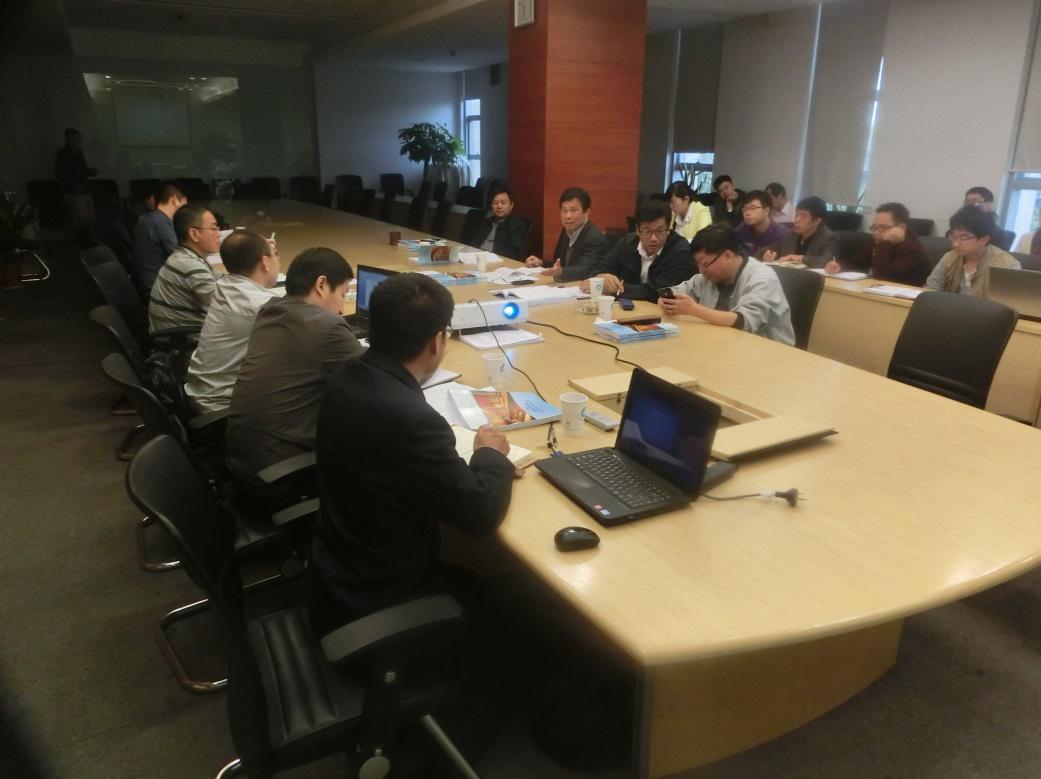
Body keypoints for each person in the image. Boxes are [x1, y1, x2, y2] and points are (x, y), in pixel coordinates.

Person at [308, 272, 515, 631]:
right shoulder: (413, 420)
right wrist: (491, 455)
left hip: (334, 562)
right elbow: (480, 515)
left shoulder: (346, 374)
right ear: (437, 341)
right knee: (495, 591)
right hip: (375, 592)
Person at [224, 248, 363, 498]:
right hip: (284, 479)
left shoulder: (270, 309)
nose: (342, 309)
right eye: (342, 295)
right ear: (322, 285)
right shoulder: (328, 327)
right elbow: (377, 382)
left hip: (243, 463)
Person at [183, 230, 281, 414]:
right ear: (265, 262)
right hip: (223, 409)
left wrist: (259, 248)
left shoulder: (225, 285)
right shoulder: (261, 305)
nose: (278, 260)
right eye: (276, 254)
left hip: (201, 393)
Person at [660, 225, 794, 345]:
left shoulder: (762, 278)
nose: (701, 271)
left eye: (705, 264)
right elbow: (677, 291)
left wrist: (694, 309)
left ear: (728, 256)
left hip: (767, 353)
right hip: (724, 345)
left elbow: (743, 322)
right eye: (698, 265)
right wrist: (667, 300)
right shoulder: (707, 277)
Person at [581, 201, 691, 301]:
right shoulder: (627, 243)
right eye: (647, 231)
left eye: (660, 231)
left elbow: (659, 291)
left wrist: (617, 289)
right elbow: (600, 268)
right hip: (628, 309)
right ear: (638, 230)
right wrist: (601, 277)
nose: (654, 238)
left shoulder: (679, 251)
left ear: (668, 230)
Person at [825, 202, 931, 286]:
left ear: (901, 227)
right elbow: (857, 262)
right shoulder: (878, 241)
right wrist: (839, 265)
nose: (876, 232)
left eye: (883, 228)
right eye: (874, 227)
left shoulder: (913, 249)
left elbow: (883, 277)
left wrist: (886, 242)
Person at [925, 206, 1021, 296]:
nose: (955, 244)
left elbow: (1007, 305)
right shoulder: (950, 257)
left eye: (963, 237)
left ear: (984, 240)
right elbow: (930, 290)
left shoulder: (1007, 266)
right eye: (953, 237)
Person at [524, 187, 607, 281]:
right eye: (564, 210)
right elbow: (562, 263)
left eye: (573, 210)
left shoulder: (594, 238)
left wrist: (560, 272)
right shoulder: (568, 229)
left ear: (587, 211)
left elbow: (585, 270)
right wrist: (541, 263)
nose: (568, 216)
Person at [131, 182, 186, 295]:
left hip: (149, 279)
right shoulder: (160, 222)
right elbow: (180, 256)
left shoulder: (149, 218)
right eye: (183, 205)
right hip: (158, 286)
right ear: (174, 200)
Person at [761, 196, 838, 268]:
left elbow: (825, 261)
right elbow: (766, 250)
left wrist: (799, 258)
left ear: (817, 221)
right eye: (796, 215)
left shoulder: (828, 237)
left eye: (803, 216)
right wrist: (766, 255)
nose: (797, 220)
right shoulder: (790, 234)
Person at [54, 128, 97, 229]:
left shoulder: (79, 153)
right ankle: (81, 236)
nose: (76, 141)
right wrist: (72, 185)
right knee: (79, 218)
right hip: (73, 192)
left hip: (85, 189)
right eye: (73, 138)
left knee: (90, 215)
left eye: (77, 138)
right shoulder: (63, 153)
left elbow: (82, 169)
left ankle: (89, 235)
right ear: (67, 139)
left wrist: (90, 171)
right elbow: (60, 173)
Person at [471, 185, 528, 260]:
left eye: (503, 203)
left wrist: (490, 256)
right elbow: (475, 242)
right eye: (495, 203)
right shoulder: (487, 221)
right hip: (478, 258)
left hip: (497, 260)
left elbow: (513, 252)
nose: (499, 206)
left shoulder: (517, 224)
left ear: (511, 206)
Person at [734, 190, 790, 258]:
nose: (747, 213)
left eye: (753, 208)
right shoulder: (743, 227)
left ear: (766, 211)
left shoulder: (782, 234)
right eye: (745, 209)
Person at [964, 186, 1015, 250]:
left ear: (989, 205)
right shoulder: (960, 226)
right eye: (968, 201)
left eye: (975, 201)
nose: (970, 205)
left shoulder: (998, 234)